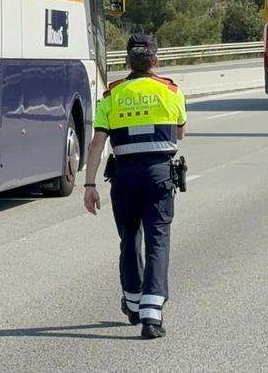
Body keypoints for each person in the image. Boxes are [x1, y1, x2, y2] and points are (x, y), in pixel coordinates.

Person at [83, 33, 187, 340]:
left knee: (129, 238)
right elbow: (180, 132)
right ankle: (152, 317)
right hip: (158, 176)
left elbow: (97, 143)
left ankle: (132, 303)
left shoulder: (112, 94)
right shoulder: (170, 91)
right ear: (155, 61)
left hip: (124, 177)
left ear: (128, 61)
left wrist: (89, 184)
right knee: (157, 240)